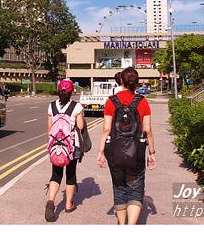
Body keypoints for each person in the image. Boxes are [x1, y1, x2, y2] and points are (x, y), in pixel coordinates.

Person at [97, 67, 155, 225]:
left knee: (119, 187)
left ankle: (122, 225)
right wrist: (152, 152)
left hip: (114, 153)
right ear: (136, 82)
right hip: (136, 153)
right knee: (136, 189)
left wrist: (100, 152)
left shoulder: (111, 101)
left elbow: (106, 129)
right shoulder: (142, 101)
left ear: (121, 81)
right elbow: (147, 130)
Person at [45, 79, 85, 222]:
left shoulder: (51, 106)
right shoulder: (76, 106)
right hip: (71, 146)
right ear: (72, 91)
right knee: (70, 174)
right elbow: (80, 126)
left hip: (56, 146)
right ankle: (68, 204)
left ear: (58, 90)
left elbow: (49, 128)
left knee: (56, 174)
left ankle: (51, 201)